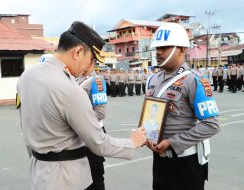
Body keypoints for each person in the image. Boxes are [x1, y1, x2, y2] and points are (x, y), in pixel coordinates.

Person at [16, 21, 147, 190]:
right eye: (92, 60)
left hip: (39, 174)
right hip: (69, 179)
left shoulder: (26, 77)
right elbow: (98, 143)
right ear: (78, 52)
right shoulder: (69, 89)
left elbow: (25, 127)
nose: (91, 68)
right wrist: (133, 142)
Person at [146, 22, 220, 190]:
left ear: (181, 49)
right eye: (157, 47)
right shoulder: (152, 79)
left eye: (164, 47)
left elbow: (212, 125)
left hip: (185, 163)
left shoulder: (194, 80)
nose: (158, 52)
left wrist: (172, 142)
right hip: (159, 161)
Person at [77, 71, 107, 190]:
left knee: (95, 177)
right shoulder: (75, 78)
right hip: (78, 136)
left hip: (93, 135)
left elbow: (100, 113)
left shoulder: (95, 80)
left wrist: (73, 119)